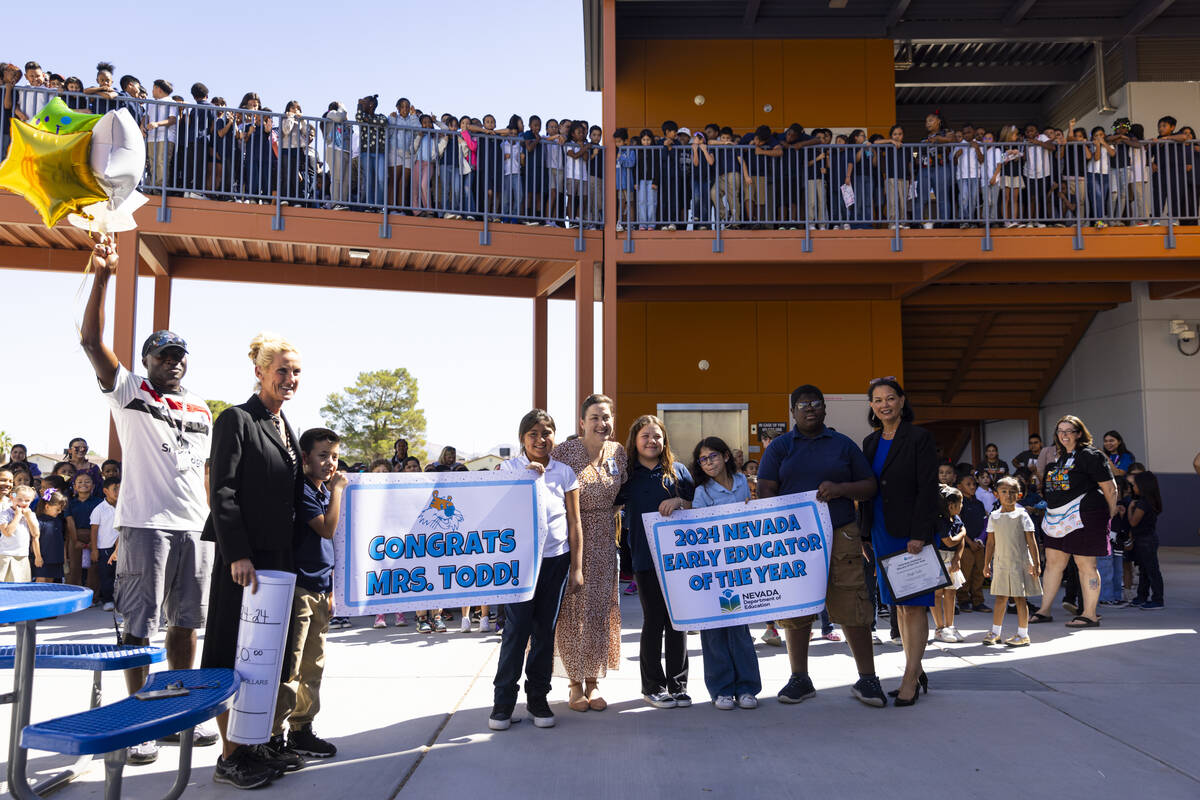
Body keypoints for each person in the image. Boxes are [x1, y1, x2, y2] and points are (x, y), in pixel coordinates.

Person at [81, 240, 216, 765]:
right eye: (164, 355)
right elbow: (91, 339)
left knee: (187, 626)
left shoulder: (201, 407)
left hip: (195, 529)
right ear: (146, 361)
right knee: (139, 627)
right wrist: (103, 277)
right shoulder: (129, 390)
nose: (174, 363)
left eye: (179, 355)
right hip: (144, 525)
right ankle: (139, 716)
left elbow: (201, 471)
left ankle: (176, 712)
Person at [201, 332, 305, 787]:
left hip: (279, 558)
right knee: (231, 651)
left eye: (296, 371)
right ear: (259, 372)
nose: (290, 378)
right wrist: (237, 553)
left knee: (266, 656)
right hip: (244, 561)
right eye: (281, 369)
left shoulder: (286, 426)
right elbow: (222, 490)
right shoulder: (236, 420)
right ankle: (229, 757)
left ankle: (254, 743)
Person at [757, 385, 886, 708]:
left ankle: (867, 678)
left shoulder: (842, 445)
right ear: (792, 412)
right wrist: (786, 517)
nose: (810, 409)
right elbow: (765, 489)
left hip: (840, 533)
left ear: (825, 408)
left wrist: (841, 489)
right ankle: (800, 677)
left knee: (852, 602)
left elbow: (869, 486)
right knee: (797, 607)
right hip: (795, 539)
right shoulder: (780, 448)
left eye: (816, 403)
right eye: (803, 405)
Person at [489, 409, 583, 731]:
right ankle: (502, 703)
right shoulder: (508, 469)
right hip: (520, 563)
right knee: (515, 631)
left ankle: (538, 699)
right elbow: (496, 513)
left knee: (545, 631)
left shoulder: (565, 472)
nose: (541, 440)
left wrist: (577, 568)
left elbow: (574, 521)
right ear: (522, 439)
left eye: (547, 433)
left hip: (556, 560)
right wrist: (520, 481)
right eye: (533, 434)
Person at [861, 378, 938, 706]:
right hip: (880, 530)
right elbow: (867, 491)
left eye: (890, 398)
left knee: (914, 605)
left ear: (902, 401)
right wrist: (865, 533)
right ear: (872, 406)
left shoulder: (919, 438)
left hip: (911, 533)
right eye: (877, 400)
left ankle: (910, 676)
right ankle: (914, 668)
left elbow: (927, 488)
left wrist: (920, 533)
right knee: (899, 606)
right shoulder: (870, 441)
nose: (884, 404)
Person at [272, 427, 345, 761]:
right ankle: (275, 736)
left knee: (313, 664)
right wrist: (339, 490)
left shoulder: (321, 492)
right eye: (322, 456)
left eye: (334, 456)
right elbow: (327, 529)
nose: (330, 463)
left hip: (319, 587)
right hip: (299, 587)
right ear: (304, 458)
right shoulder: (303, 490)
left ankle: (303, 728)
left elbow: (327, 548)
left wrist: (329, 589)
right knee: (291, 665)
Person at [551, 394, 626, 713]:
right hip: (570, 541)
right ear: (582, 422)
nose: (601, 423)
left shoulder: (618, 452)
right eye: (594, 417)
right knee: (572, 614)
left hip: (606, 543)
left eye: (606, 417)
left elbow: (625, 492)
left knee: (598, 612)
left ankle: (594, 682)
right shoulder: (564, 452)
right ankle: (574, 684)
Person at [617, 414, 695, 709]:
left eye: (657, 436)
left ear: (665, 441)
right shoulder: (625, 474)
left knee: (678, 621)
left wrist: (680, 502)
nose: (652, 441)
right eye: (645, 436)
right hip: (645, 557)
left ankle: (679, 685)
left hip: (679, 560)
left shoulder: (677, 471)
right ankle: (653, 686)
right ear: (635, 441)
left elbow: (697, 505)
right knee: (654, 621)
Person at [691, 436, 761, 710]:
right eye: (703, 459)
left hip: (742, 567)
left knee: (740, 628)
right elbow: (700, 529)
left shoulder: (744, 482)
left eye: (713, 456)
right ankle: (720, 690)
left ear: (726, 457)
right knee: (715, 629)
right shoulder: (702, 492)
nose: (708, 463)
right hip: (714, 569)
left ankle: (747, 688)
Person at [1031, 415, 1117, 629]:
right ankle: (1044, 610)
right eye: (1061, 431)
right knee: (1052, 565)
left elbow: (1110, 488)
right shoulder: (1057, 460)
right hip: (1056, 517)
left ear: (1079, 433)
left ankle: (1089, 614)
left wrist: (1110, 516)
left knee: (1086, 565)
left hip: (1085, 515)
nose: (1065, 435)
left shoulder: (1091, 455)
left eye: (1069, 430)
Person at [982, 477, 1042, 647]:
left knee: (1019, 598)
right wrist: (986, 564)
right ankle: (995, 632)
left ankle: (1023, 634)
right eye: (1004, 492)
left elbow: (1031, 541)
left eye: (1012, 492)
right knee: (1000, 598)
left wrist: (1036, 563)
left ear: (1019, 495)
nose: (1008, 496)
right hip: (1001, 563)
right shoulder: (994, 516)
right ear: (996, 495)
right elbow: (991, 542)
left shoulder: (1022, 515)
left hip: (1019, 563)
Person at [932, 486, 966, 643]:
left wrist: (957, 559)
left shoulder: (957, 519)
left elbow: (960, 544)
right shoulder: (940, 520)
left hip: (952, 559)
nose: (961, 506)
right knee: (937, 594)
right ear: (950, 505)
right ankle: (939, 628)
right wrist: (964, 532)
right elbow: (950, 541)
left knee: (951, 593)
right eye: (960, 503)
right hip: (938, 558)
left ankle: (950, 626)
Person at [1126, 471, 1164, 609]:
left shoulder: (1142, 503)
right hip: (1147, 539)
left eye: (1135, 484)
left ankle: (1157, 599)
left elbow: (1133, 522)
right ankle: (1141, 596)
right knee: (1145, 570)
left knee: (1151, 570)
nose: (1133, 487)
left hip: (1145, 540)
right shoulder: (1151, 501)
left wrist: (1130, 509)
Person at [65, 471, 102, 590]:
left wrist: (93, 542)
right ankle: (73, 593)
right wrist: (75, 541)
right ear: (74, 486)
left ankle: (93, 597)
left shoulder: (99, 503)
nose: (83, 484)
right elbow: (70, 523)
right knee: (74, 566)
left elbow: (100, 524)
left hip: (95, 536)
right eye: (79, 482)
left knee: (94, 568)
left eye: (87, 481)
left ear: (93, 486)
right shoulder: (70, 503)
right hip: (75, 535)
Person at [0, 486, 38, 581]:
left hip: (23, 556)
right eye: (19, 499)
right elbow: (7, 532)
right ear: (12, 498)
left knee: (20, 586)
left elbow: (35, 534)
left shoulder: (31, 515)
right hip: (6, 555)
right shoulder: (5, 514)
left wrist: (28, 518)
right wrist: (17, 516)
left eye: (27, 500)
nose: (23, 503)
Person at [33, 489, 67, 582]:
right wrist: (38, 557)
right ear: (47, 506)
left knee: (50, 583)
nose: (60, 512)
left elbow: (61, 540)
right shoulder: (39, 521)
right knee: (40, 581)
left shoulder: (58, 521)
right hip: (43, 559)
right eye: (57, 509)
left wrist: (63, 557)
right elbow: (35, 540)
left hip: (56, 558)